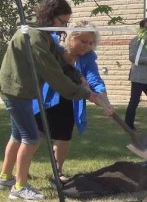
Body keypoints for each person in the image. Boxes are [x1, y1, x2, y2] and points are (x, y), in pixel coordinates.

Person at [0, 0, 98, 201]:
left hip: (18, 89)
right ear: (50, 16)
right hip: (16, 91)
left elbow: (58, 62)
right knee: (31, 138)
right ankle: (19, 187)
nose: (64, 27)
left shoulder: (41, 33)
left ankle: (5, 178)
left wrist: (76, 75)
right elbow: (54, 74)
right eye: (63, 21)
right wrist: (85, 93)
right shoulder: (34, 37)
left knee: (17, 136)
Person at [33, 20, 113, 182]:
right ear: (71, 37)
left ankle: (57, 171)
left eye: (91, 43)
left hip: (69, 99)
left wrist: (105, 101)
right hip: (45, 96)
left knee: (64, 135)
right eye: (83, 41)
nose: (87, 46)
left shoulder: (88, 57)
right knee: (34, 134)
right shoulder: (55, 46)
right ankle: (16, 172)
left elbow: (94, 80)